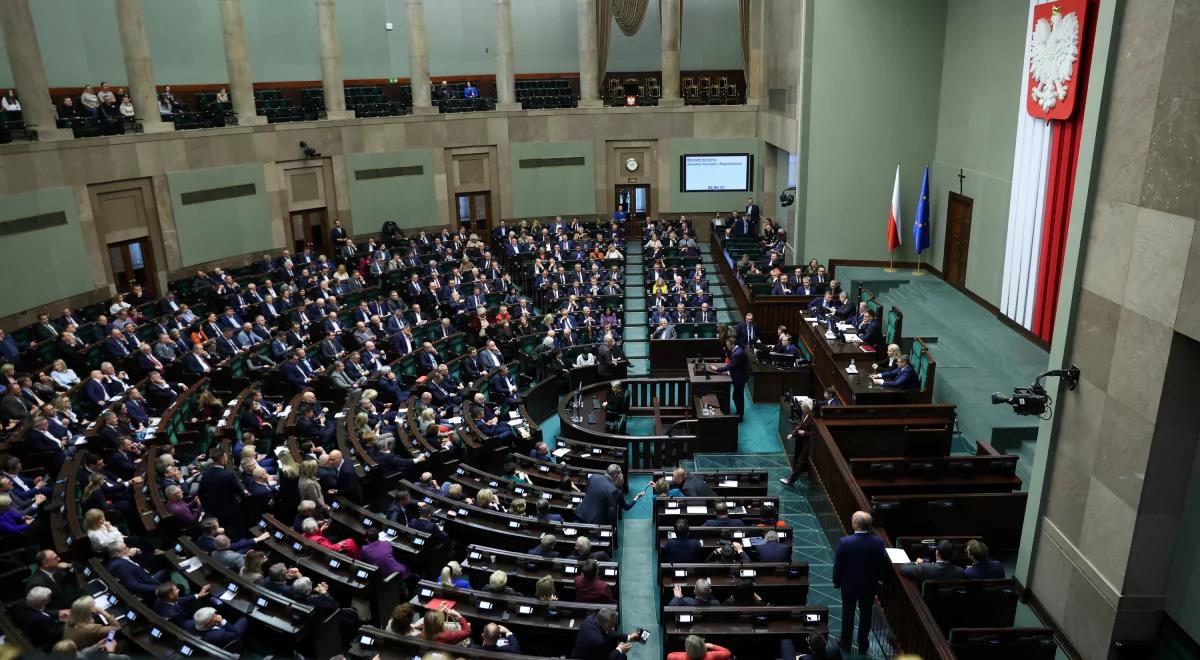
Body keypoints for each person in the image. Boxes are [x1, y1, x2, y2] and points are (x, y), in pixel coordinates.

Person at [832, 511, 889, 653]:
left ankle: (845, 643)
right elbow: (882, 564)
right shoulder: (878, 542)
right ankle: (863, 645)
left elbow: (838, 565)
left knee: (848, 614)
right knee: (866, 615)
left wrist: (836, 581)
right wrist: (880, 578)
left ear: (856, 524)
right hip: (869, 585)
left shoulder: (845, 542)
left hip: (849, 585)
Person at [575, 464, 644, 526]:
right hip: (594, 522)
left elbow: (586, 492)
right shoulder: (614, 491)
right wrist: (636, 497)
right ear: (616, 476)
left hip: (580, 513)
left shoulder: (593, 476)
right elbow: (613, 513)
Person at [570, 608, 640, 660]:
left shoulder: (590, 619)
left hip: (578, 654)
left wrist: (629, 637)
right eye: (613, 624)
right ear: (607, 626)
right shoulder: (599, 642)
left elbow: (608, 632)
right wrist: (619, 650)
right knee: (621, 657)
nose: (614, 625)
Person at [708, 336, 749, 418]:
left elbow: (730, 366)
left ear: (733, 345)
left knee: (737, 398)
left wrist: (717, 369)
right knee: (737, 397)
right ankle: (739, 413)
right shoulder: (737, 350)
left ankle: (740, 416)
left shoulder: (738, 353)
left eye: (728, 345)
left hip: (739, 379)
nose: (727, 346)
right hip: (739, 376)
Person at [898, 539, 966, 583]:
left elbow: (902, 568)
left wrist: (917, 562)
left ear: (937, 553)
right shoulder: (960, 572)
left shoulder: (924, 568)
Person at [780, 402, 815, 487]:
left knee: (801, 462)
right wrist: (792, 433)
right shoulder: (804, 414)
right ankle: (791, 480)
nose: (802, 407)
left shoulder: (813, 418)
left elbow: (814, 434)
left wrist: (804, 433)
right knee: (800, 462)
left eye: (803, 406)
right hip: (804, 442)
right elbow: (800, 425)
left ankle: (790, 480)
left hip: (810, 445)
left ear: (808, 408)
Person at [667, 634, 732, 660]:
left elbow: (669, 656)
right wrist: (711, 645)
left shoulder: (682, 657)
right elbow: (727, 652)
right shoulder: (711, 656)